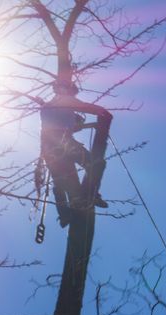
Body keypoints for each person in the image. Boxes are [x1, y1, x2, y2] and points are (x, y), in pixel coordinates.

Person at [39, 80, 111, 227]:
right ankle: (89, 196)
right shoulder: (64, 99)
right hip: (62, 142)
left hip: (48, 146)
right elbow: (85, 108)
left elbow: (64, 124)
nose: (73, 96)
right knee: (96, 164)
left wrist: (77, 123)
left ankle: (65, 214)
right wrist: (104, 113)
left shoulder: (49, 106)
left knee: (61, 179)